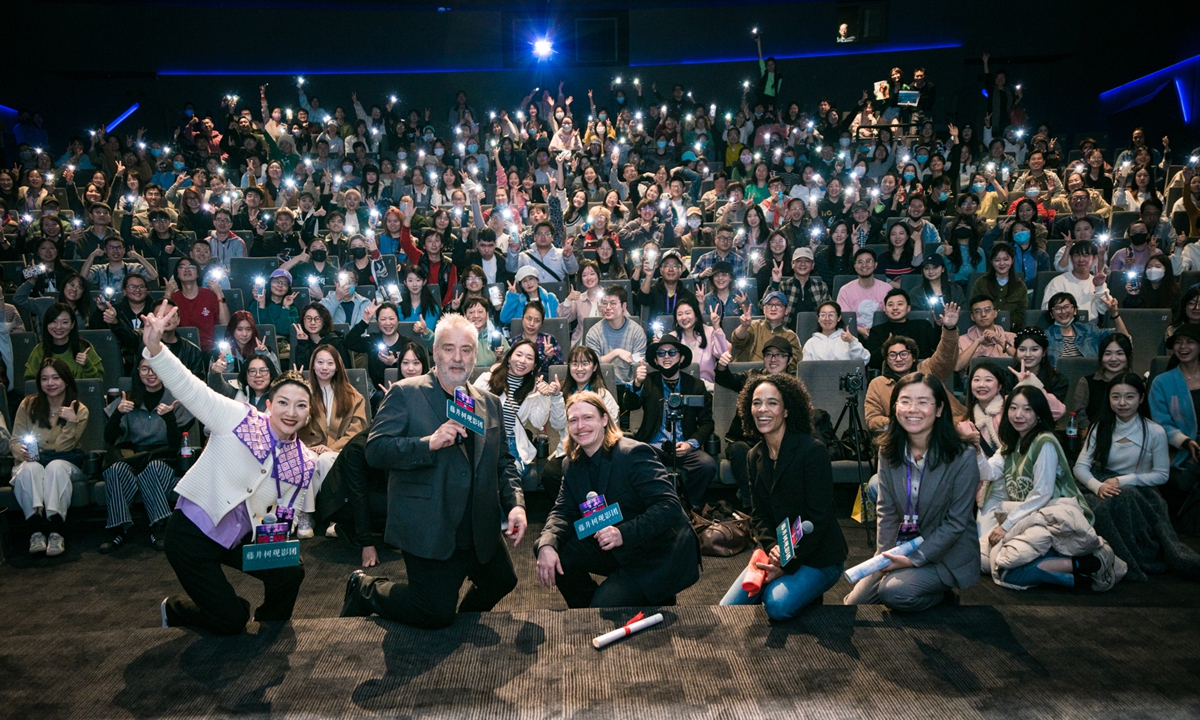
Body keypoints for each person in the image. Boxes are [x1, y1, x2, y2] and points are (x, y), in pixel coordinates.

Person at [343, 314, 528, 629]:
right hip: (429, 524)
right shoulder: (405, 393)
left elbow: (504, 461)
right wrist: (428, 443)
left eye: (466, 349)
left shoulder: (488, 403)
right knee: (433, 613)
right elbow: (375, 452)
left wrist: (517, 505)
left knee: (502, 581)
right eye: (449, 348)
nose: (458, 358)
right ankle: (364, 589)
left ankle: (461, 622)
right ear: (436, 351)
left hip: (478, 524)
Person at [535, 391, 700, 607]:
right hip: (615, 546)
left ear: (604, 419)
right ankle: (587, 609)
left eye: (588, 418)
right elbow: (562, 511)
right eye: (573, 420)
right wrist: (547, 543)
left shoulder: (633, 454)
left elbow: (668, 507)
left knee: (605, 606)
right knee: (549, 546)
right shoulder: (571, 464)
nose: (580, 425)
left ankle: (655, 592)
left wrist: (623, 532)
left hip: (654, 552)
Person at [845, 373, 980, 610]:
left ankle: (943, 595)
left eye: (923, 402)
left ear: (939, 409)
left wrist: (912, 560)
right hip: (902, 546)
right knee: (855, 603)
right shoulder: (888, 451)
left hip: (945, 553)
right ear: (895, 406)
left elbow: (956, 523)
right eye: (905, 401)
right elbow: (886, 510)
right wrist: (885, 558)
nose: (912, 409)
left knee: (894, 592)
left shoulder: (962, 456)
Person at [718, 373, 847, 616]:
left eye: (772, 403)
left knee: (776, 606)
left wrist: (788, 564)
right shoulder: (753, 456)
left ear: (786, 410)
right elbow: (759, 516)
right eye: (756, 403)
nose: (762, 410)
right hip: (780, 551)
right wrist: (774, 550)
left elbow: (818, 518)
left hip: (819, 556)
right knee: (728, 609)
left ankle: (804, 589)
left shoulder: (812, 451)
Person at [975, 386, 1115, 591]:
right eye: (1013, 408)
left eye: (1028, 409)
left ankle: (1090, 562)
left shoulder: (1045, 442)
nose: (1019, 415)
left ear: (1039, 414)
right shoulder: (1011, 445)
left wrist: (1006, 526)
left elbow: (1042, 493)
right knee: (979, 560)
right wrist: (976, 449)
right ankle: (1082, 574)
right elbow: (987, 473)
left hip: (1056, 518)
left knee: (1008, 571)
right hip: (1027, 517)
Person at [1073, 373, 1198, 581]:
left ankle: (1122, 560)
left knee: (1120, 499)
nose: (1122, 403)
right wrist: (1097, 486)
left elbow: (1161, 475)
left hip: (1140, 489)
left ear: (1141, 398)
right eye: (1116, 397)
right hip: (1101, 484)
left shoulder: (1154, 431)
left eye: (1130, 397)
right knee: (1092, 505)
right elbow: (1080, 467)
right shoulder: (1100, 427)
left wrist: (1123, 481)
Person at [100, 357, 193, 554]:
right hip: (133, 456)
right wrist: (117, 413)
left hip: (164, 458)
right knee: (115, 469)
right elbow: (109, 438)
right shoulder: (128, 399)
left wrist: (168, 416)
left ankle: (159, 526)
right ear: (138, 372)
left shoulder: (175, 399)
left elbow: (176, 444)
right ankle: (118, 527)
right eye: (145, 369)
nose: (150, 374)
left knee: (152, 470)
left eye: (155, 369)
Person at [621, 336, 716, 509]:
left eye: (672, 352)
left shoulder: (695, 385)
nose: (666, 356)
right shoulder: (648, 381)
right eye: (661, 353)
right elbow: (629, 406)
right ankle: (656, 507)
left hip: (684, 447)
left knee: (706, 465)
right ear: (656, 359)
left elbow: (707, 423)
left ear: (681, 358)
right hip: (653, 446)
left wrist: (690, 444)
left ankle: (693, 507)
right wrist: (637, 383)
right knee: (638, 464)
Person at [10, 358, 88, 558]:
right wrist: (22, 452)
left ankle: (56, 530)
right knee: (30, 468)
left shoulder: (80, 409)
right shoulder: (28, 405)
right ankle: (35, 530)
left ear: (66, 380)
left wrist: (71, 422)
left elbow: (63, 448)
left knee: (56, 466)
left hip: (66, 461)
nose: (50, 383)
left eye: (55, 378)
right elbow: (15, 440)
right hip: (31, 460)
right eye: (45, 379)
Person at [294, 345, 368, 539]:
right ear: (313, 365)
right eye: (320, 362)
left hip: (338, 449)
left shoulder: (352, 395)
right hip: (308, 447)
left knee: (327, 459)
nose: (324, 367)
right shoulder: (303, 392)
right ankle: (305, 515)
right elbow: (293, 425)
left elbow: (357, 429)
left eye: (330, 362)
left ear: (337, 366)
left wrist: (331, 447)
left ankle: (336, 516)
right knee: (307, 459)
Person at [864, 303, 962, 436]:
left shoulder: (928, 369)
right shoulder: (878, 384)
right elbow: (872, 420)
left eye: (904, 354)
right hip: (899, 436)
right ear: (886, 359)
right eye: (892, 355)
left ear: (914, 357)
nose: (898, 359)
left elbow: (946, 356)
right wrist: (904, 421)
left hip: (942, 431)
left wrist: (949, 329)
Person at [475, 339, 560, 478]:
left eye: (529, 358)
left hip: (512, 445)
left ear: (534, 366)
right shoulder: (486, 379)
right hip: (485, 441)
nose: (522, 361)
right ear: (509, 358)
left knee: (508, 475)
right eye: (519, 355)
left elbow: (538, 423)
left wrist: (545, 396)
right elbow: (468, 406)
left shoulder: (533, 390)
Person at [1147, 324, 1200, 527]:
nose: (1183, 347)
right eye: (1178, 342)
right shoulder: (1163, 382)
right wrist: (1186, 442)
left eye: (1190, 342)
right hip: (1181, 448)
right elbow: (1162, 424)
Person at [862, 289, 939, 372]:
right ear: (885, 310)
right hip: (889, 377)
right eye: (890, 305)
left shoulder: (922, 326)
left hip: (922, 375)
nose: (895, 308)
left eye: (900, 304)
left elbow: (939, 347)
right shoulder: (877, 331)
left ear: (908, 308)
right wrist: (886, 346)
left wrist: (941, 326)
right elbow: (871, 361)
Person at [1067, 333, 1132, 432]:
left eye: (1120, 353)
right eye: (1108, 354)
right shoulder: (1086, 382)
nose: (1113, 359)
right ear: (1101, 357)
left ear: (1128, 357)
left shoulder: (1135, 384)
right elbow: (1078, 415)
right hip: (1094, 435)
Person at [24, 303, 105, 381]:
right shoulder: (39, 350)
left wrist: (87, 365)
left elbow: (98, 383)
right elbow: (30, 383)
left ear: (72, 324)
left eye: (64, 322)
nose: (58, 327)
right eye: (53, 321)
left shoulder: (84, 347)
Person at [585, 285, 647, 385]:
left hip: (630, 385)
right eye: (605, 303)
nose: (608, 308)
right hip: (601, 386)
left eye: (613, 303)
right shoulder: (594, 332)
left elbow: (639, 363)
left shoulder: (637, 332)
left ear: (624, 306)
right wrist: (616, 353)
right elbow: (592, 365)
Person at [1043, 292, 1127, 365]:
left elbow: (1123, 339)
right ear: (1051, 314)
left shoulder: (1090, 330)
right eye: (1058, 309)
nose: (1063, 312)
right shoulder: (1046, 336)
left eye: (1067, 307)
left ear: (1075, 310)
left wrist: (1114, 313)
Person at [169, 256, 230, 351]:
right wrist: (167, 294)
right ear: (177, 274)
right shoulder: (174, 297)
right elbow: (162, 324)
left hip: (210, 348)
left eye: (191, 267)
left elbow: (225, 323)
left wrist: (219, 293)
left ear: (198, 273)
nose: (187, 270)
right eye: (182, 267)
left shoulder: (210, 294)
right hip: (182, 349)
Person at [729, 291, 803, 368]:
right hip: (747, 373)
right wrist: (744, 326)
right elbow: (737, 341)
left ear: (786, 311)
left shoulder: (790, 336)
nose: (773, 308)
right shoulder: (754, 326)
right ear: (764, 309)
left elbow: (794, 364)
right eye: (769, 304)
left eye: (778, 305)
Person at [668, 296, 729, 385]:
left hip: (706, 387)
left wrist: (717, 327)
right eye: (680, 314)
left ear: (696, 316)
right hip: (680, 387)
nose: (684, 317)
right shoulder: (672, 338)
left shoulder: (709, 332)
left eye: (688, 313)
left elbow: (723, 354)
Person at [1041, 241, 1110, 319]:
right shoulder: (1057, 282)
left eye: (1085, 255)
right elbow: (1046, 310)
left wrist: (1099, 287)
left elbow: (1105, 310)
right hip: (1063, 326)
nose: (1081, 260)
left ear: (1094, 258)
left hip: (1091, 328)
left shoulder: (1098, 282)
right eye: (1076, 255)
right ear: (1071, 257)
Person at [970, 243, 1028, 331]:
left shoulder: (1020, 286)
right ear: (992, 262)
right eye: (997, 260)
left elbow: (1021, 313)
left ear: (1012, 260)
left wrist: (1005, 324)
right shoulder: (981, 282)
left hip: (1011, 331)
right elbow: (974, 307)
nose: (1001, 263)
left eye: (1006, 259)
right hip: (984, 330)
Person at [836, 248, 892, 335]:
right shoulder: (845, 291)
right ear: (855, 266)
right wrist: (860, 330)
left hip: (882, 334)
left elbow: (890, 316)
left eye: (868, 261)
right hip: (853, 335)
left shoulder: (887, 289)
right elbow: (845, 319)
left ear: (875, 265)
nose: (864, 265)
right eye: (860, 262)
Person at [956, 294, 1016, 371]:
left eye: (987, 310)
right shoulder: (962, 340)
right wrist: (977, 342)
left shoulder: (1011, 337)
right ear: (972, 317)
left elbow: (1022, 361)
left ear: (995, 313)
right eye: (977, 311)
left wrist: (1001, 341)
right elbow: (957, 367)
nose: (983, 314)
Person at [291, 302, 351, 371]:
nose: (312, 323)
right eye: (308, 318)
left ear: (324, 320)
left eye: (317, 319)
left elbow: (345, 371)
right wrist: (303, 343)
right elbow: (302, 371)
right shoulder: (302, 343)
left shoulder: (336, 343)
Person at [801, 302, 870, 361]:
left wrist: (852, 342)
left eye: (832, 315)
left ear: (839, 318)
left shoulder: (848, 339)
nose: (827, 319)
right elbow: (806, 369)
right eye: (823, 315)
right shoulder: (811, 343)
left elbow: (864, 360)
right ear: (818, 319)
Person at [209, 355, 279, 412]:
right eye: (252, 371)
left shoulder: (280, 398)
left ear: (271, 374)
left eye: (263, 370)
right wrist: (214, 372)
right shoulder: (237, 394)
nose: (258, 375)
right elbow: (218, 387)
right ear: (246, 376)